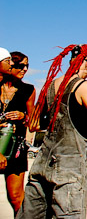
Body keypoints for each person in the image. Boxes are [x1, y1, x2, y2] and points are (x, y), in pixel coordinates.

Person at [17, 44, 87, 219]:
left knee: (30, 214)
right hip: (69, 166)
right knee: (68, 214)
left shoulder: (52, 85)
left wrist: (57, 119)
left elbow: (34, 125)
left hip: (43, 161)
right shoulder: (82, 86)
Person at [0, 51, 36, 214]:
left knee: (15, 196)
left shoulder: (28, 90)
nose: (25, 69)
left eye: (27, 66)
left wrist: (24, 116)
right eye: (21, 65)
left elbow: (34, 123)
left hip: (16, 146)